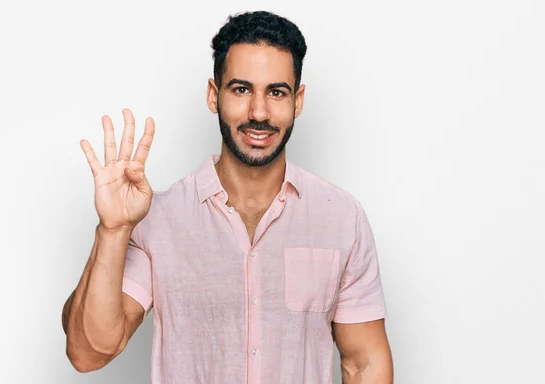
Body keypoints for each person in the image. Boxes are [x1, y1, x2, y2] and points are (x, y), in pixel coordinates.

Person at [62, 10, 393, 384]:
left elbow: (364, 363)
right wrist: (113, 230)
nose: (259, 112)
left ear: (297, 101)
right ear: (213, 94)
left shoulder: (341, 218)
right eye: (241, 89)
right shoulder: (160, 219)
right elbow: (89, 352)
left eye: (276, 92)